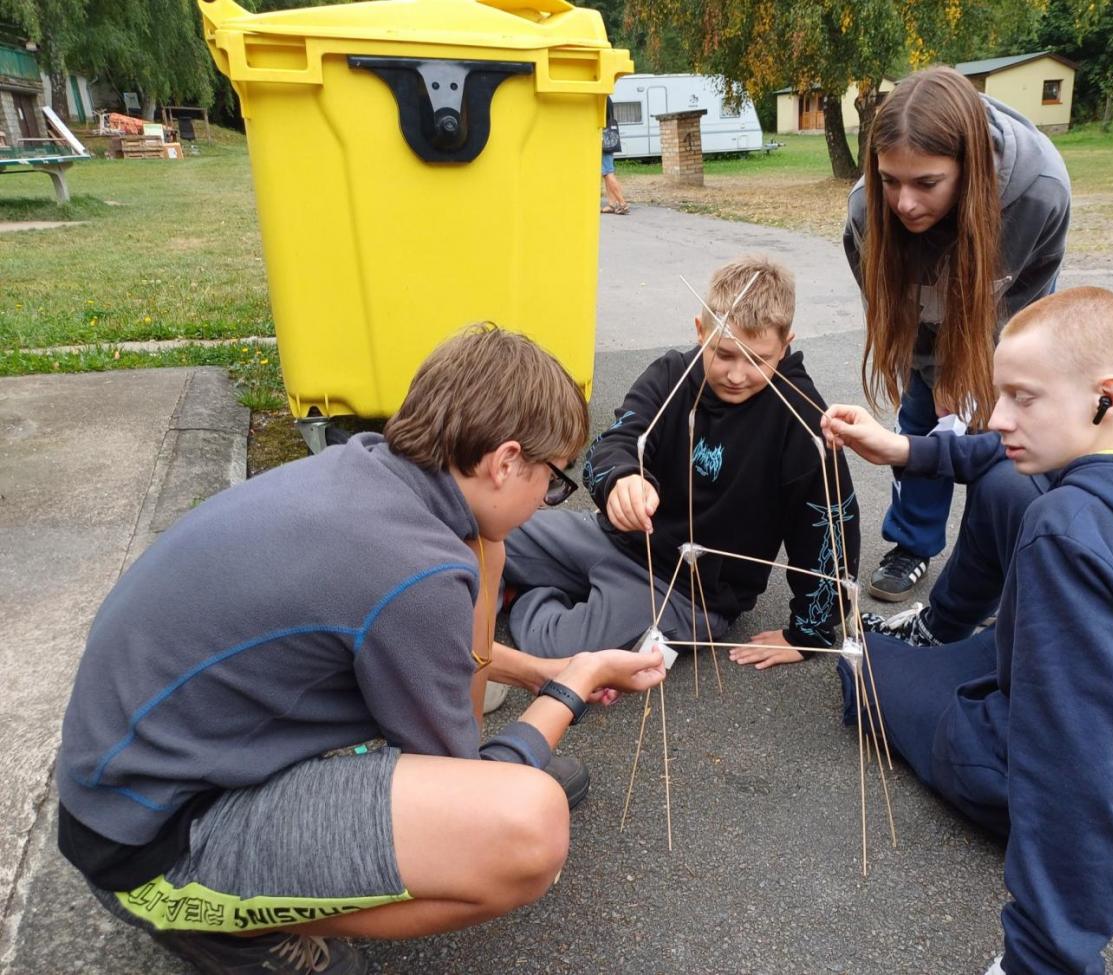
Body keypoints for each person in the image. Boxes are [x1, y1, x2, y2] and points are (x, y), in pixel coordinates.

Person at [55, 325, 667, 974]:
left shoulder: (373, 473)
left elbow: (437, 652)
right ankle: (237, 930)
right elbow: (469, 778)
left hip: (125, 787)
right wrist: (570, 688)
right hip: (153, 849)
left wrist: (535, 665)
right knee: (527, 823)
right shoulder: (418, 569)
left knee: (499, 737)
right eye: (552, 481)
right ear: (507, 460)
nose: (548, 499)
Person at [822, 287, 1113, 975]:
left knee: (859, 660)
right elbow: (994, 459)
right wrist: (901, 448)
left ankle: (922, 664)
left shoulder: (1070, 537)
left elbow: (1078, 764)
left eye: (1022, 397)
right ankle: (948, 634)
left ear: (1104, 397)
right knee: (1010, 485)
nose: (996, 415)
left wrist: (1043, 958)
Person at [504, 255, 860, 670]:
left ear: (786, 345)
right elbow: (615, 441)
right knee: (494, 528)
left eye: (757, 359)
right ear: (700, 330)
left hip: (684, 592)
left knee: (557, 647)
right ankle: (534, 582)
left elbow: (828, 521)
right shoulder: (671, 373)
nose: (737, 374)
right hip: (611, 538)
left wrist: (809, 631)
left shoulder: (801, 417)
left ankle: (529, 593)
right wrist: (622, 479)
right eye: (723, 353)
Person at [843, 66, 1071, 602]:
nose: (904, 203)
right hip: (927, 333)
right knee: (924, 421)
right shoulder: (866, 213)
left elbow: (1029, 303)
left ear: (969, 168)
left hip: (1006, 328)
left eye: (926, 183)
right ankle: (913, 543)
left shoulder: (1040, 194)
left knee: (1014, 443)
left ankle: (1004, 559)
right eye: (890, 180)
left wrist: (982, 373)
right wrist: (938, 374)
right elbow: (896, 311)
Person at [601, 99, 630, 215]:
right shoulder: (607, 98)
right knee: (606, 172)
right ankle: (612, 204)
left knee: (608, 172)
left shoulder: (601, 98)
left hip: (602, 138)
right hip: (609, 138)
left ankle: (622, 203)